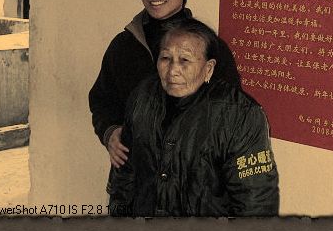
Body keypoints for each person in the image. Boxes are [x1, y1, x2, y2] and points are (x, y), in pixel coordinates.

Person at [88, 0, 240, 187]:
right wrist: (110, 132)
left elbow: (232, 111)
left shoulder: (209, 47)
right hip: (133, 181)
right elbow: (102, 99)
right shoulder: (124, 45)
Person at [108, 18, 279, 217]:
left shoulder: (241, 115)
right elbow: (123, 179)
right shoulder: (142, 97)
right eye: (165, 58)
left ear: (208, 68)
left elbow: (256, 203)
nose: (173, 71)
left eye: (185, 60)